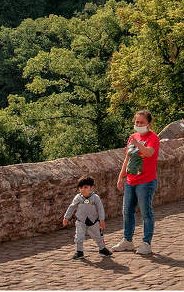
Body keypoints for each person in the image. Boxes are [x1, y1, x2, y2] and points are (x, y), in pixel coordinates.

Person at [114, 110, 159, 255]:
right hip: (131, 180)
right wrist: (121, 177)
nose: (138, 124)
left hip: (146, 181)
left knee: (146, 212)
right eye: (136, 122)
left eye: (141, 122)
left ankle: (146, 243)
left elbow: (149, 153)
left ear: (149, 123)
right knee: (127, 211)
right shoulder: (132, 137)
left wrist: (137, 144)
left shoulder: (153, 138)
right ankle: (127, 241)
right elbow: (128, 158)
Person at [63, 176, 110, 259]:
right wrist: (66, 217)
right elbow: (72, 207)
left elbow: (100, 209)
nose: (83, 189)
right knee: (79, 236)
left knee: (98, 236)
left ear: (91, 187)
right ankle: (79, 252)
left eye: (85, 187)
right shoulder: (78, 197)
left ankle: (102, 248)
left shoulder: (95, 197)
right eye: (81, 188)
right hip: (81, 221)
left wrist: (101, 220)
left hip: (93, 221)